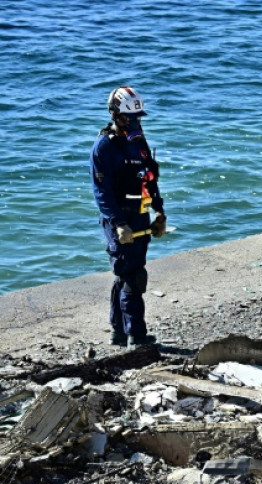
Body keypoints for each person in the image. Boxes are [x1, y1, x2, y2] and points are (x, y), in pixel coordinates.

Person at [91, 86, 167, 348]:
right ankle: (137, 336)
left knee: (125, 275)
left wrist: (159, 212)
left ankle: (119, 332)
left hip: (140, 215)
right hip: (119, 219)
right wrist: (119, 223)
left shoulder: (139, 143)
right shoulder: (104, 147)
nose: (134, 123)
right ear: (114, 115)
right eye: (128, 118)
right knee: (132, 275)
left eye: (137, 118)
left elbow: (150, 179)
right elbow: (102, 193)